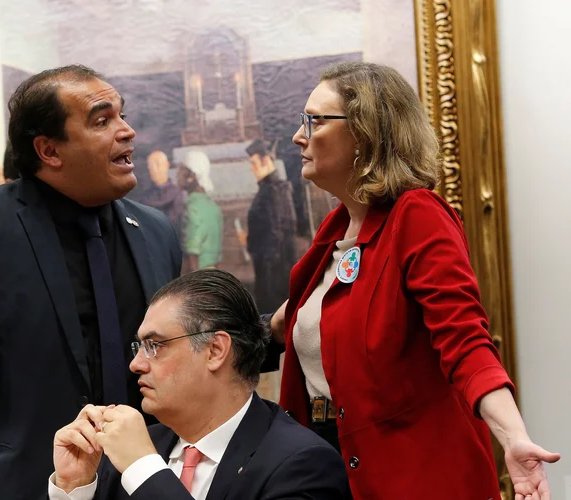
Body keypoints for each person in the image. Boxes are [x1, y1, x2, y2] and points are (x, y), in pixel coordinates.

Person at [0, 64, 182, 500]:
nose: (127, 131)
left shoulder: (154, 230)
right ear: (49, 150)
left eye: (122, 115)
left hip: (130, 487)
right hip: (3, 485)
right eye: (103, 120)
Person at [267, 61, 560, 499]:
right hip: (330, 467)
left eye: (315, 120)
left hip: (414, 475)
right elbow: (300, 325)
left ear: (365, 133)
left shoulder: (416, 215)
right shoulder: (333, 234)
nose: (299, 135)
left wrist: (513, 435)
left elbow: (464, 337)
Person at [48, 269, 348, 500]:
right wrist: (74, 487)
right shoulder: (126, 451)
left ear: (215, 350)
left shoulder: (302, 464)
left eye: (155, 345)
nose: (135, 364)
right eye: (138, 347)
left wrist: (144, 468)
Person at [237, 138, 297, 313]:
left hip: (274, 272)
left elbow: (278, 234)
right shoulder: (269, 189)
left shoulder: (275, 190)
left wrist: (270, 277)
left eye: (254, 163)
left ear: (266, 161)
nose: (252, 168)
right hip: (267, 266)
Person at [178, 150, 223, 273]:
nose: (178, 174)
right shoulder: (213, 207)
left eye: (182, 170)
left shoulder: (192, 208)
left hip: (199, 276)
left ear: (192, 177)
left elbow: (193, 249)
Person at [139, 150, 184, 235]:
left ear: (167, 165)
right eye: (150, 166)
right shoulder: (146, 198)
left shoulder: (179, 194)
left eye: (157, 164)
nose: (153, 169)